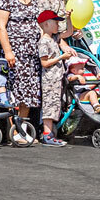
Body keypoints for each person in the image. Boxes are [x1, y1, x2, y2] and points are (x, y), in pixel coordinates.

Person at [0, 0, 41, 144]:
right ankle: (14, 131)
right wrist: (8, 51)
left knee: (29, 92)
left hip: (32, 52)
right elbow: (0, 27)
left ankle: (23, 130)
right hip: (15, 51)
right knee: (15, 91)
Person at [35, 10, 71, 145]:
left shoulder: (54, 38)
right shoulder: (43, 42)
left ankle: (50, 134)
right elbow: (44, 63)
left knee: (55, 105)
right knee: (49, 106)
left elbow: (69, 32)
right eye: (55, 22)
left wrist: (69, 19)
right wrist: (61, 57)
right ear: (46, 24)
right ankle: (47, 134)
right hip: (49, 79)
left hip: (56, 78)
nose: (57, 25)